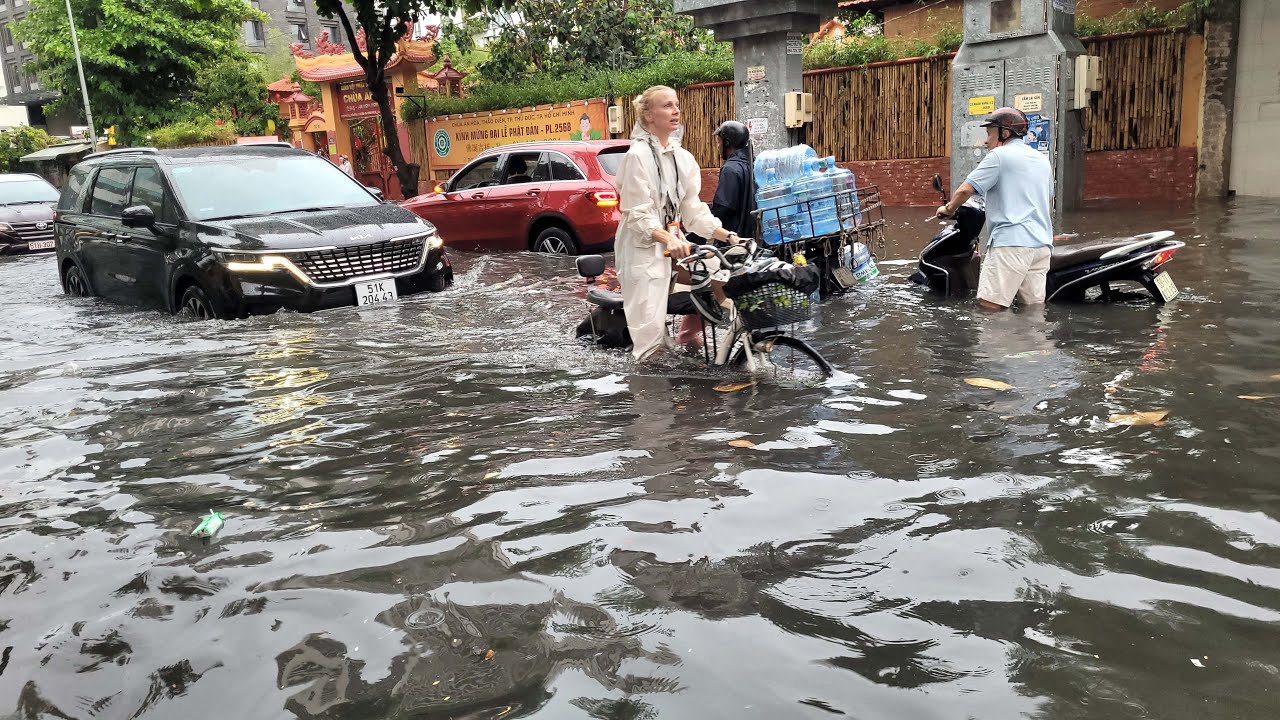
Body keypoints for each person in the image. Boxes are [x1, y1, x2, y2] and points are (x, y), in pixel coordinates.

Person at [615, 85, 742, 361]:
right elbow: (638, 213)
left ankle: (689, 343)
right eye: (667, 105)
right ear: (648, 115)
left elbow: (693, 209)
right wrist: (667, 238)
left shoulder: (681, 158)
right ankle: (649, 392)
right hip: (642, 250)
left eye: (676, 104)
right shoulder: (637, 156)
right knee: (648, 337)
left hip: (673, 244)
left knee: (716, 269)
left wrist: (727, 235)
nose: (676, 110)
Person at [937, 107, 1054, 311]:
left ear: (1005, 133)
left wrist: (948, 209)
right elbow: (1049, 199)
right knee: (1033, 311)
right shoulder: (1043, 160)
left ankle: (994, 344)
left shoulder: (999, 156)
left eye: (989, 133)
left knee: (989, 309)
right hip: (1042, 245)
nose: (986, 141)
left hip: (1011, 244)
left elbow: (965, 191)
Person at [708, 120, 756, 238]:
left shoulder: (731, 169)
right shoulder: (752, 163)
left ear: (727, 143)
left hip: (735, 240)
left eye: (719, 142)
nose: (718, 147)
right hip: (753, 236)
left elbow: (723, 208)